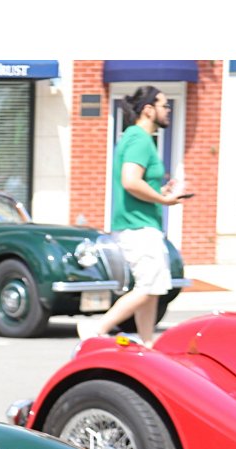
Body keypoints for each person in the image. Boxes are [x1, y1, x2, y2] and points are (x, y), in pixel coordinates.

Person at [76, 86, 186, 347]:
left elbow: (136, 183)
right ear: (148, 110)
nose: (168, 110)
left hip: (136, 225)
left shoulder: (133, 137)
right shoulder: (140, 139)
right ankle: (96, 328)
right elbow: (130, 181)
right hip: (138, 227)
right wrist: (164, 200)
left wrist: (159, 191)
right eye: (164, 105)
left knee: (152, 288)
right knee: (149, 287)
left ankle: (147, 343)